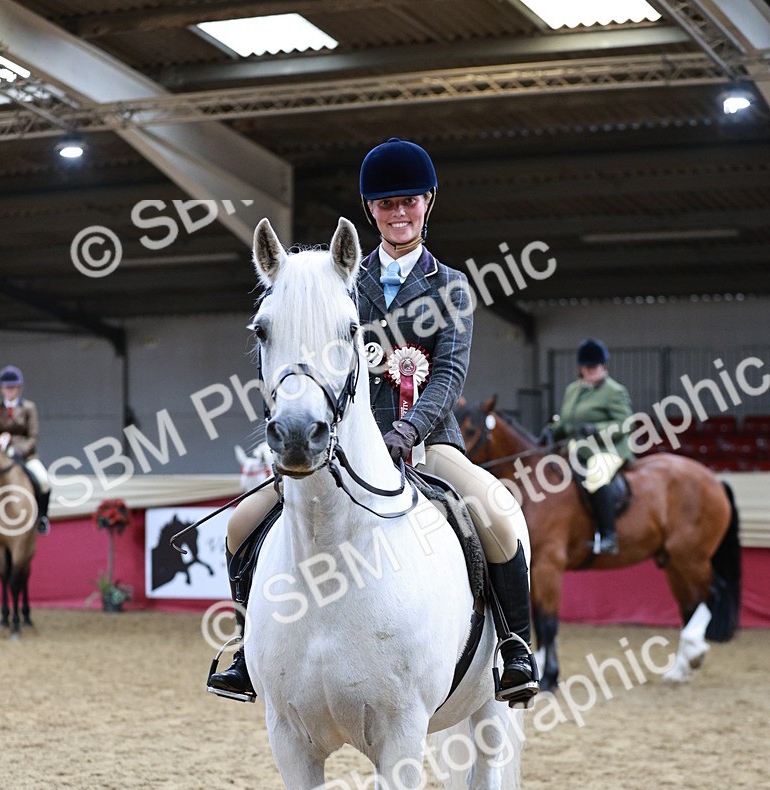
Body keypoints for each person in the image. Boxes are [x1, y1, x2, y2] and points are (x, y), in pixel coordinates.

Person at [207, 137, 539, 705]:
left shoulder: (451, 285)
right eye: (387, 205)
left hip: (427, 443)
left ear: (428, 203)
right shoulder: (341, 281)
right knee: (240, 525)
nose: (399, 212)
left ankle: (513, 647)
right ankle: (246, 646)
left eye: (409, 201)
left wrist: (405, 435)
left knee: (499, 514)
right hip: (342, 444)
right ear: (371, 212)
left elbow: (449, 375)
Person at [551, 339, 634, 555]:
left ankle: (609, 536)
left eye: (597, 367)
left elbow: (625, 424)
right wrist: (554, 429)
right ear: (581, 369)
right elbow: (568, 420)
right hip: (578, 447)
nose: (593, 371)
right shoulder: (572, 390)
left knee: (596, 475)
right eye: (588, 368)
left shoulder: (615, 391)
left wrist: (597, 428)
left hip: (609, 448)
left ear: (604, 366)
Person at [0, 365, 51, 534]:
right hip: (0, 455)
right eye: (6, 388)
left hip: (25, 455)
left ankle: (42, 518)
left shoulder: (29, 407)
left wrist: (18, 451)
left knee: (43, 480)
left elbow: (33, 436)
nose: (10, 391)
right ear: (2, 389)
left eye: (12, 387)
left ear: (18, 388)